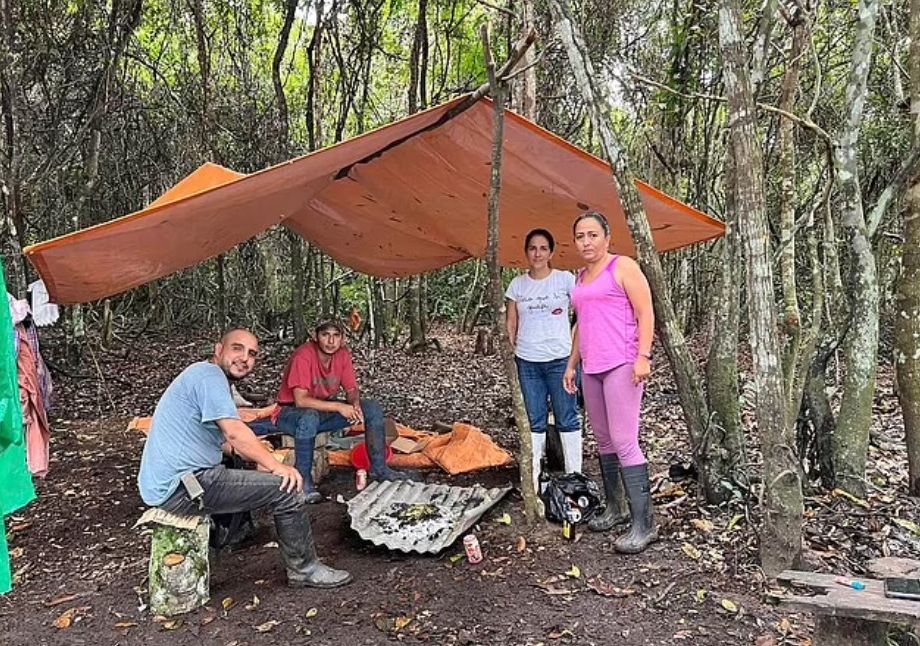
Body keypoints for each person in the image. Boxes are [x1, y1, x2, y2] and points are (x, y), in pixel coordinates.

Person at [138, 329, 351, 588]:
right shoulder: (208, 376)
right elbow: (234, 432)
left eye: (252, 354)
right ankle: (305, 569)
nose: (245, 358)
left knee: (240, 462)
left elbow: (222, 441)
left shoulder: (204, 376)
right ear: (218, 350)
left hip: (173, 482)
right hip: (182, 487)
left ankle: (239, 531)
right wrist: (275, 466)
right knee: (287, 489)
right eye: (237, 349)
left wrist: (256, 452)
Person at [563, 211, 658, 553]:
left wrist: (643, 356)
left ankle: (644, 524)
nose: (586, 242)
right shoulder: (580, 277)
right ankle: (616, 508)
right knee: (603, 439)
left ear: (606, 237)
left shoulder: (623, 267)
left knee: (624, 440)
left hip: (622, 363)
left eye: (592, 235)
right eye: (580, 236)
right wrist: (572, 364)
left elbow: (646, 311)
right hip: (592, 366)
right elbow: (581, 323)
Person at [272, 319, 410, 503]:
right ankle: (303, 481)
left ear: (343, 338)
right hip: (290, 413)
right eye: (325, 335)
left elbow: (351, 389)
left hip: (323, 410)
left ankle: (379, 469)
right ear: (315, 336)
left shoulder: (343, 354)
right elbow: (301, 400)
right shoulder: (303, 356)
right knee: (309, 417)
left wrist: (354, 406)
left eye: (336, 336)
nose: (331, 341)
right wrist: (339, 406)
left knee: (372, 407)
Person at [505, 228, 582, 491]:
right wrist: (512, 350)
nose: (537, 254)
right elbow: (511, 321)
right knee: (534, 419)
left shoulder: (565, 280)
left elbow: (583, 314)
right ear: (526, 252)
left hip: (561, 360)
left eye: (542, 248)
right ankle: (534, 480)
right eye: (532, 248)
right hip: (527, 362)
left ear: (551, 252)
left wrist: (574, 349)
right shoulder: (517, 285)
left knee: (567, 417)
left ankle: (575, 478)